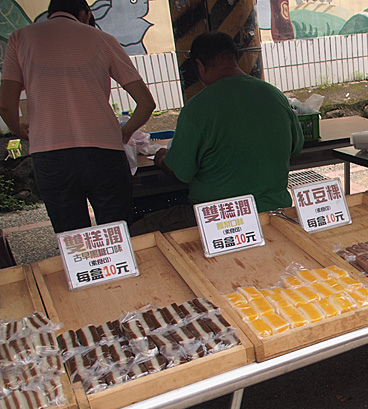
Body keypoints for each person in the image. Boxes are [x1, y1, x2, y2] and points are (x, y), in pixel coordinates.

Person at [0, 0, 155, 234]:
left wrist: (20, 130)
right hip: (104, 152)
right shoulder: (103, 39)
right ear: (85, 14)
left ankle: (83, 270)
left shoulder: (20, 39)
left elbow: (5, 104)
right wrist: (123, 133)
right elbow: (146, 103)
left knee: (72, 237)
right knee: (116, 233)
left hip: (50, 155)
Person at [131, 31, 303, 234]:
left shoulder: (198, 108)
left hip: (218, 219)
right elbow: (296, 147)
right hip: (275, 212)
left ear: (200, 65)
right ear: (235, 57)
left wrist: (161, 158)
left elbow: (179, 171)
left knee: (137, 231)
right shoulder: (274, 96)